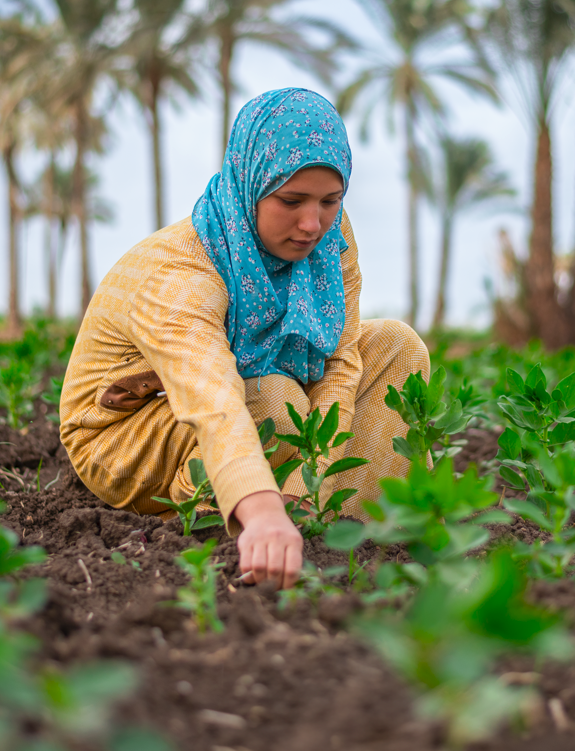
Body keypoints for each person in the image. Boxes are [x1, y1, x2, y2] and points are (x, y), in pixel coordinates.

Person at [60, 87, 429, 589]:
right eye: (291, 201)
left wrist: (307, 485)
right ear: (249, 182)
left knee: (396, 346)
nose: (311, 224)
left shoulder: (332, 238)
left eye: (330, 201)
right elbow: (212, 399)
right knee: (276, 401)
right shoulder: (182, 271)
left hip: (261, 393)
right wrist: (262, 512)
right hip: (123, 432)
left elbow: (341, 364)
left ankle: (328, 527)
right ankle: (213, 528)